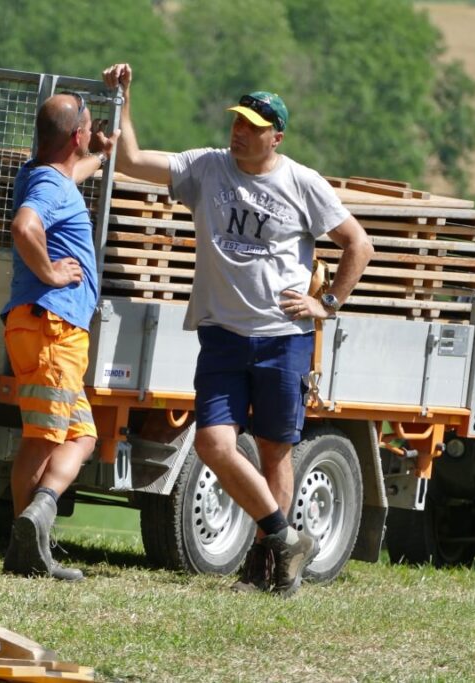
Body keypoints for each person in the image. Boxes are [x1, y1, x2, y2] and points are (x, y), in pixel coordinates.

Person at [101, 63, 373, 596]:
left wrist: (328, 303)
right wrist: (124, 97)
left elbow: (358, 245)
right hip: (222, 334)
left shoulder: (302, 183)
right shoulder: (206, 168)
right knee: (213, 443)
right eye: (237, 122)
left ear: (277, 136)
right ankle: (284, 536)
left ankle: (266, 566)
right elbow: (131, 160)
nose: (239, 131)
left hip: (283, 338)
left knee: (274, 451)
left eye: (252, 125)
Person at [0, 92, 119, 581]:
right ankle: (25, 550)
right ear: (76, 135)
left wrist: (102, 154)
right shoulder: (49, 186)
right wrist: (49, 271)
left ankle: (38, 518)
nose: (90, 134)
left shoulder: (47, 173)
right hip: (52, 326)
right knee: (43, 440)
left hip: (49, 329)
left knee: (82, 436)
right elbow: (24, 225)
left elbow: (73, 173)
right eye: (88, 129)